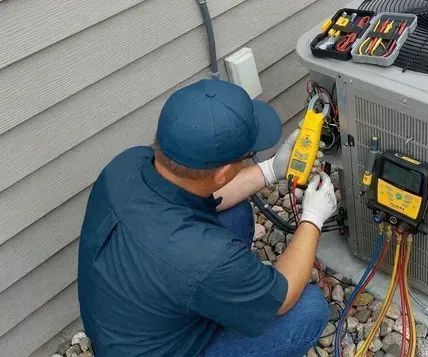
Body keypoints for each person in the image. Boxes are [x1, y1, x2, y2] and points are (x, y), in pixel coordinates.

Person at [77, 79, 338, 357]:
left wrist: (270, 169)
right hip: (161, 350)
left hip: (124, 322)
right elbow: (283, 297)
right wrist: (312, 219)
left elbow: (204, 189)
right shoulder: (207, 256)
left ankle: (219, 299)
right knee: (308, 309)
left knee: (234, 213)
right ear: (222, 173)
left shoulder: (127, 164)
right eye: (248, 156)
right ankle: (226, 300)